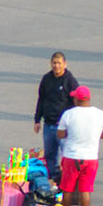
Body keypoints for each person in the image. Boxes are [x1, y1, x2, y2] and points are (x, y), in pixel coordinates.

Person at [54, 87, 103, 206]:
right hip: (90, 157)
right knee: (86, 189)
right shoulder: (100, 114)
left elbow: (60, 134)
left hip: (71, 156)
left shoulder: (69, 114)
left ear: (78, 99)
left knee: (67, 189)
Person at [34, 51, 80, 183]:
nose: (56, 66)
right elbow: (41, 100)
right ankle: (53, 180)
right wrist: (37, 120)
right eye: (54, 63)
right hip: (49, 124)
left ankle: (67, 182)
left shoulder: (70, 81)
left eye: (59, 63)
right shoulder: (46, 79)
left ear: (65, 64)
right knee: (50, 155)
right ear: (50, 63)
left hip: (64, 127)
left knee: (66, 156)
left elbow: (76, 103)